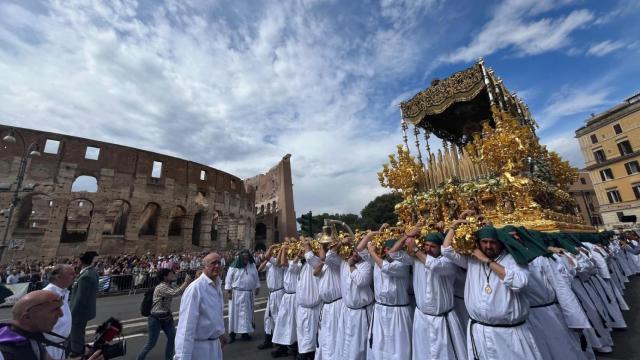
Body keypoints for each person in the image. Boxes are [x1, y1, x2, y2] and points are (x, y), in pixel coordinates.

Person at [442, 222, 543, 360]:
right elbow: (446, 250)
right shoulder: (472, 260)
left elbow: (519, 283)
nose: (488, 246)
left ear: (500, 242)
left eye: (492, 242)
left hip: (509, 335)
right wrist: (454, 225)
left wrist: (487, 261)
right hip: (480, 332)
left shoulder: (513, 259)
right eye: (484, 242)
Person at [390, 231, 467, 360]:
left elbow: (435, 266)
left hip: (442, 320)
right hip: (422, 318)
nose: (428, 249)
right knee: (423, 353)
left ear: (440, 247)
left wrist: (415, 249)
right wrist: (406, 236)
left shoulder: (448, 262)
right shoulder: (416, 260)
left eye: (432, 246)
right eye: (426, 245)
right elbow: (393, 253)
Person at [356, 224, 413, 360]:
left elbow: (385, 267)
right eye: (386, 248)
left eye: (390, 249)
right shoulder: (377, 261)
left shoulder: (403, 265)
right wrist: (373, 234)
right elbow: (359, 249)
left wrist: (372, 252)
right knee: (379, 347)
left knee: (399, 348)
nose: (387, 251)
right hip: (380, 310)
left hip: (398, 312)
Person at [0, 290, 103, 360]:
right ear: (27, 317)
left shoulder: (29, 335)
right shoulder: (8, 351)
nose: (61, 314)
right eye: (54, 309)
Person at [324, 239, 373, 360]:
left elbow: (361, 281)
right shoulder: (343, 263)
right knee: (345, 343)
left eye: (358, 251)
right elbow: (329, 257)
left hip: (362, 313)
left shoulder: (366, 265)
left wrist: (351, 266)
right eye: (353, 251)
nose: (355, 254)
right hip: (346, 311)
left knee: (360, 346)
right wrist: (340, 243)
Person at [174, 252, 226, 360]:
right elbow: (186, 326)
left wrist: (219, 334)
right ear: (204, 266)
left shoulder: (216, 285)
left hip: (215, 346)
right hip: (200, 349)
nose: (217, 265)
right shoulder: (195, 289)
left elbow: (214, 315)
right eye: (213, 263)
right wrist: (182, 356)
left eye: (219, 263)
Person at [137, 268, 191, 360]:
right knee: (151, 344)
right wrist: (186, 282)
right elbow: (175, 293)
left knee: (172, 338)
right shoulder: (161, 287)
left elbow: (178, 291)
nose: (173, 275)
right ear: (165, 276)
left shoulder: (168, 285)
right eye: (171, 274)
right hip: (156, 319)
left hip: (167, 317)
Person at [271, 242, 301, 358]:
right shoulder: (289, 262)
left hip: (295, 297)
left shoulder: (298, 264)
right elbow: (279, 262)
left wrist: (284, 249)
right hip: (287, 297)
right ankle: (283, 347)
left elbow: (283, 262)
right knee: (283, 322)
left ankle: (295, 348)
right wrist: (281, 250)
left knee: (294, 324)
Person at [225, 250, 260, 343]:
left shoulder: (252, 266)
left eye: (247, 257)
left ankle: (245, 333)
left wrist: (257, 287)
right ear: (241, 258)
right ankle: (232, 334)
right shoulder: (234, 266)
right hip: (236, 294)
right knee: (234, 315)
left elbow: (256, 277)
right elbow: (228, 280)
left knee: (247, 314)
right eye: (244, 258)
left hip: (248, 293)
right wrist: (229, 291)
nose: (246, 259)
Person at [69, 251, 99, 357]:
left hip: (79, 312)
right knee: (79, 333)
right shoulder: (92, 272)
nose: (76, 262)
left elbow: (80, 299)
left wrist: (71, 314)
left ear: (82, 261)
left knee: (76, 334)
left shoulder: (86, 275)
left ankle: (77, 353)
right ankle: (79, 350)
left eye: (78, 260)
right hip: (84, 311)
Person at [43, 264, 76, 360]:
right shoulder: (47, 294)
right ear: (58, 276)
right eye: (71, 274)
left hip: (60, 345)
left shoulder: (62, 292)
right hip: (49, 347)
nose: (74, 276)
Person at [256, 245, 284, 350]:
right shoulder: (270, 263)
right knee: (268, 318)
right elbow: (259, 268)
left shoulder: (278, 262)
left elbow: (268, 257)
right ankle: (268, 340)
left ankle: (281, 344)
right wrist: (266, 260)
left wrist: (271, 248)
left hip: (279, 293)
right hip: (271, 293)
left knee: (278, 318)